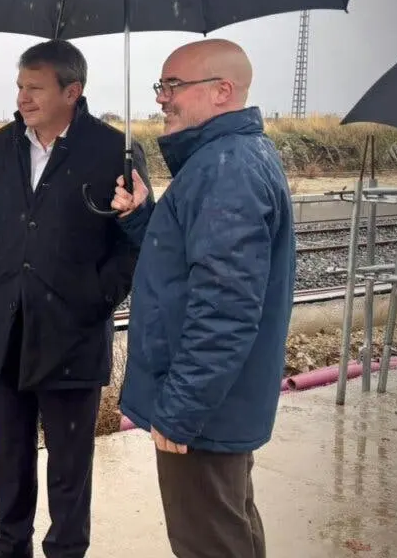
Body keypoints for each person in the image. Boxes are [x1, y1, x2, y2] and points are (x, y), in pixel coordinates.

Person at [111, 38, 295, 558]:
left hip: (204, 409)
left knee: (207, 542)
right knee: (230, 528)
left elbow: (225, 308)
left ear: (222, 91)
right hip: (220, 402)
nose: (162, 99)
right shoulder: (225, 160)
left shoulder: (225, 169)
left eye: (174, 86)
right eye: (160, 86)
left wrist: (181, 409)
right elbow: (188, 270)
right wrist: (144, 217)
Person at [0, 39, 151, 558]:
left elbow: (138, 240)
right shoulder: (6, 143)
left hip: (72, 331)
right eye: (20, 85)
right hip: (10, 324)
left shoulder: (113, 150)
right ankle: (10, 542)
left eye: (35, 88)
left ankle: (66, 549)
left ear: (73, 91)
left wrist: (95, 297)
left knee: (70, 461)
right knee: (10, 449)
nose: (22, 97)